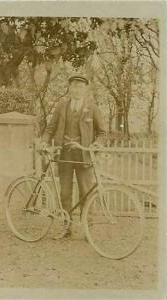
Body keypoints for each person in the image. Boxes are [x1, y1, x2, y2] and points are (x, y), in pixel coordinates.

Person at [40, 75, 105, 238]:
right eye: (73, 86)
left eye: (80, 86)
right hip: (64, 155)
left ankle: (88, 228)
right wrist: (44, 142)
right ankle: (66, 227)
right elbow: (50, 128)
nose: (76, 89)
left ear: (85, 89)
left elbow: (102, 132)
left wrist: (97, 144)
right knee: (65, 192)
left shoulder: (92, 108)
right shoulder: (61, 106)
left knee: (86, 192)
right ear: (69, 88)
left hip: (83, 155)